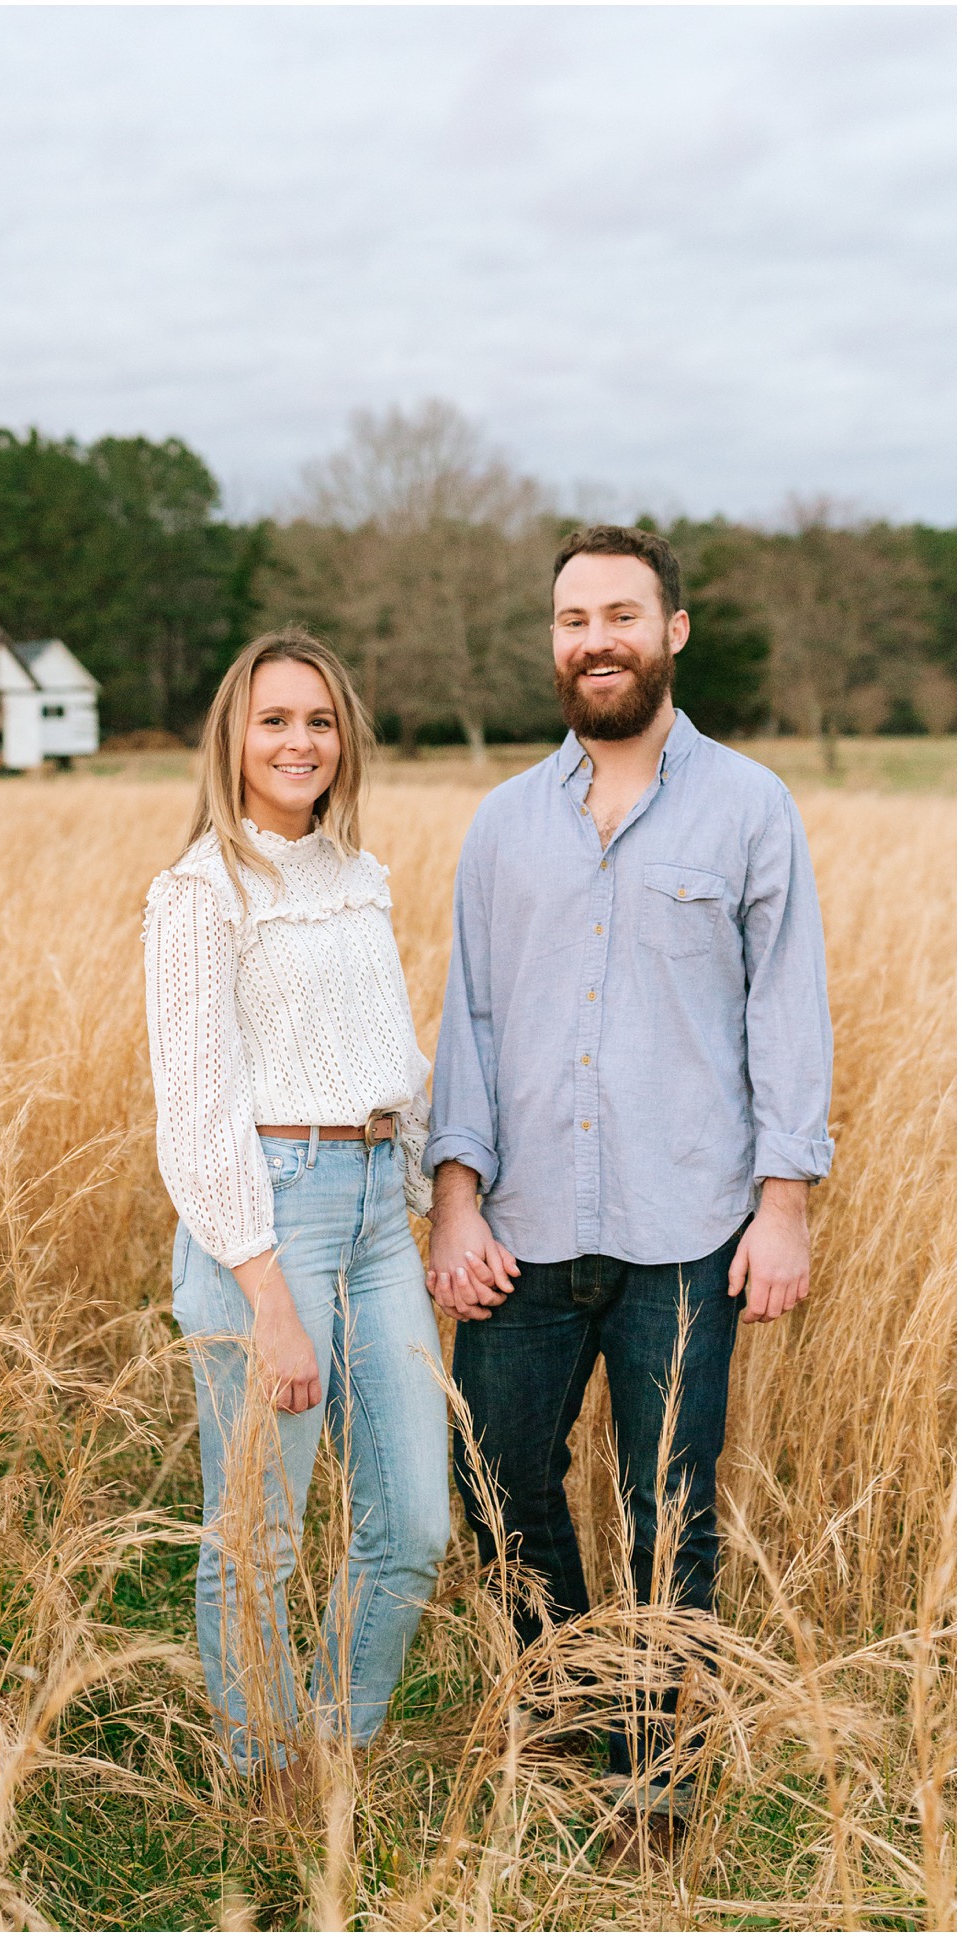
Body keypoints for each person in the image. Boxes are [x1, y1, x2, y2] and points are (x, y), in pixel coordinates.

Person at [425, 525, 833, 1837]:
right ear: (554, 642)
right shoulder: (501, 825)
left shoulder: (750, 807)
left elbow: (787, 1012)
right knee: (497, 1479)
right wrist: (455, 1191)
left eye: (620, 613)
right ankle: (562, 1722)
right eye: (570, 619)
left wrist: (786, 1203)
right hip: (520, 1230)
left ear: (674, 631)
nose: (593, 638)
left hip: (687, 1233)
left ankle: (658, 1790)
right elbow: (470, 1019)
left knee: (673, 1513)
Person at [143, 625, 450, 1802]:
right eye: (274, 719)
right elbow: (196, 1109)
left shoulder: (356, 875)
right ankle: (263, 1775)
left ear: (344, 740)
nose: (299, 740)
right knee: (260, 1533)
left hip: (378, 1218)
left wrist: (434, 1198)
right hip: (266, 1217)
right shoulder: (198, 894)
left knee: (415, 1519)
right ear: (233, 736)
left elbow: (392, 1058)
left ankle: (335, 1742)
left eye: (319, 720)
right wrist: (266, 1291)